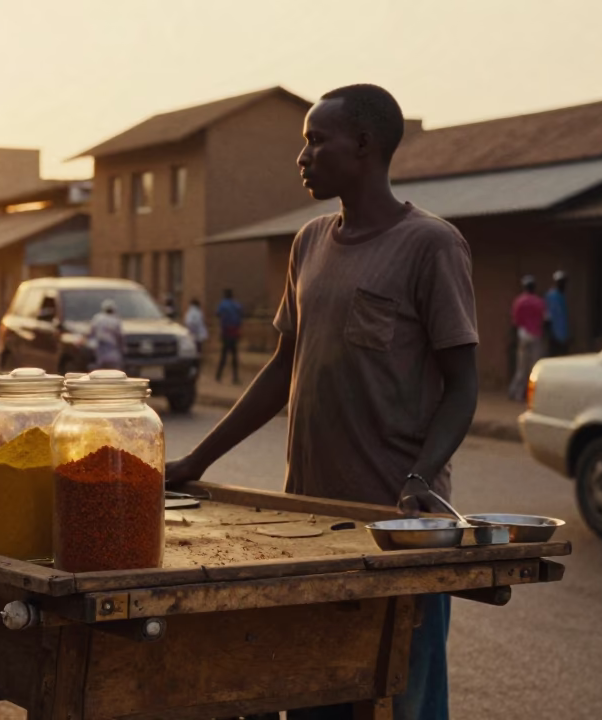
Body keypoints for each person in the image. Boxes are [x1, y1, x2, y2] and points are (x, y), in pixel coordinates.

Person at [167, 84, 478, 720]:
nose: (303, 156)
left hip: (395, 533)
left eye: (316, 140)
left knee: (399, 699)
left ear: (364, 145)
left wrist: (420, 475)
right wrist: (195, 462)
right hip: (309, 525)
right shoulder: (309, 242)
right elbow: (282, 372)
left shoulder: (431, 245)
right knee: (310, 694)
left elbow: (463, 385)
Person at [509, 275, 546, 402]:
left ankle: (517, 393)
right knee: (534, 367)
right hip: (536, 335)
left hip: (523, 335)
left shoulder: (519, 301)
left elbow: (515, 321)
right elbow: (544, 319)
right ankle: (532, 396)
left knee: (521, 367)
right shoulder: (539, 302)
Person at [215, 289, 243, 384]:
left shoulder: (223, 305)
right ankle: (235, 377)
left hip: (226, 332)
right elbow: (241, 314)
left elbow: (217, 314)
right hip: (234, 332)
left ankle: (218, 376)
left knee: (224, 355)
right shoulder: (236, 305)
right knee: (234, 356)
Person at [89, 299, 126, 370]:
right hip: (113, 353)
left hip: (100, 352)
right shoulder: (116, 320)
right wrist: (123, 349)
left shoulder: (97, 319)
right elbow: (120, 337)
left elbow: (91, 334)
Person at [544, 270, 570, 357]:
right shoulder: (551, 296)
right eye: (561, 282)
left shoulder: (563, 296)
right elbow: (547, 316)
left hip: (564, 334)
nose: (563, 284)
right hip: (554, 335)